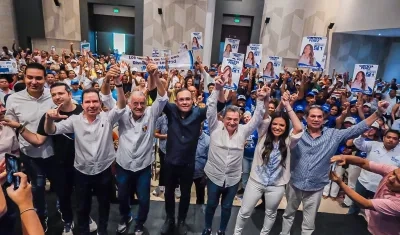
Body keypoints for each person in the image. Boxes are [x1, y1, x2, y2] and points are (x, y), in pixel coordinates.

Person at [280, 100, 389, 235]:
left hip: (316, 186)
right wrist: (286, 104)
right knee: (288, 214)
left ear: (324, 119)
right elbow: (280, 121)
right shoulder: (298, 132)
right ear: (306, 118)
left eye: (319, 116)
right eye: (312, 116)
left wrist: (378, 113)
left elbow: (358, 128)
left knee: (309, 222)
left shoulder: (333, 134)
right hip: (295, 183)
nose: (316, 119)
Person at [2, 83, 99, 234]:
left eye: (61, 93)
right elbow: (38, 140)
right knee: (64, 196)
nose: (57, 97)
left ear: (69, 94)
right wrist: (19, 126)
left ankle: (87, 218)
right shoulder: (49, 116)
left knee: (84, 195)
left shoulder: (83, 111)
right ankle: (68, 222)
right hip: (60, 165)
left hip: (84, 164)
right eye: (54, 95)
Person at [43, 65, 126, 235]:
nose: (92, 105)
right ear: (82, 104)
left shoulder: (107, 118)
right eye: (88, 102)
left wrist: (118, 84)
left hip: (104, 171)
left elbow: (122, 105)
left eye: (95, 101)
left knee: (104, 206)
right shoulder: (74, 120)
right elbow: (50, 131)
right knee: (82, 208)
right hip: (82, 172)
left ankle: (102, 231)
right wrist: (49, 119)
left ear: (100, 103)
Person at [102, 63, 168, 234]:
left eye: (142, 103)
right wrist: (109, 79)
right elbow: (107, 98)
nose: (139, 107)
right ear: (129, 104)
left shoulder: (152, 114)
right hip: (123, 166)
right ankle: (126, 217)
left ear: (146, 103)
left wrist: (156, 75)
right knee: (123, 198)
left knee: (145, 200)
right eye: (135, 103)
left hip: (143, 168)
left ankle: (140, 223)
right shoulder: (122, 113)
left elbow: (162, 97)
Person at [201, 79, 267, 235]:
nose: (232, 122)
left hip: (232, 179)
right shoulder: (215, 127)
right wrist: (217, 88)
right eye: (229, 119)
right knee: (211, 205)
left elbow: (257, 117)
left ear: (239, 119)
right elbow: (211, 108)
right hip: (214, 176)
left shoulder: (244, 131)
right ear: (223, 119)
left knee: (226, 207)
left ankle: (222, 230)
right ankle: (207, 228)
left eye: (235, 119)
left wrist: (260, 99)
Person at [234, 91, 304, 235]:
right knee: (245, 211)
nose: (277, 127)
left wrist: (288, 106)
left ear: (286, 128)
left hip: (276, 186)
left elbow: (298, 128)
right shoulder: (263, 134)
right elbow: (265, 116)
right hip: (256, 182)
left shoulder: (289, 141)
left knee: (270, 213)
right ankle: (237, 233)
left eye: (282, 126)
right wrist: (268, 100)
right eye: (275, 124)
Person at [160, 82, 225, 235]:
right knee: (168, 192)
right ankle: (169, 219)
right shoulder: (170, 110)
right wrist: (157, 78)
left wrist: (220, 88)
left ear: (193, 99)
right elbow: (157, 96)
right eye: (181, 99)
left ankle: (181, 220)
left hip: (188, 164)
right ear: (176, 101)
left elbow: (220, 105)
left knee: (186, 194)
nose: (184, 102)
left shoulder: (199, 113)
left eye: (187, 99)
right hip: (169, 162)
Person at [5, 63, 56, 231]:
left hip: (56, 151)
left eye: (39, 78)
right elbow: (9, 125)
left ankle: (65, 213)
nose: (34, 81)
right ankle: (41, 216)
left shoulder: (54, 96)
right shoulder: (13, 99)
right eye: (30, 77)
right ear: (24, 77)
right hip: (30, 153)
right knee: (38, 187)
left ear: (46, 79)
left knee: (62, 187)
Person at [330, 155, 400, 235]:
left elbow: (365, 204)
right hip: (371, 222)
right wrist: (345, 157)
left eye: (398, 180)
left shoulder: (398, 203)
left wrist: (340, 183)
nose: (391, 178)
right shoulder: (392, 171)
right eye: (394, 173)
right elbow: (364, 163)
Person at [348, 129, 400, 215]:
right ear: (383, 138)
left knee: (376, 212)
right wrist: (363, 136)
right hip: (363, 182)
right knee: (355, 205)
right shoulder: (374, 144)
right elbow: (357, 144)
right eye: (388, 137)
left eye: (394, 138)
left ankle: (370, 227)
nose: (391, 140)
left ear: (398, 141)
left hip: (383, 187)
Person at [192, 125, 210, 205]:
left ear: (201, 128)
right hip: (187, 172)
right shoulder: (188, 137)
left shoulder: (207, 140)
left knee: (200, 197)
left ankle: (200, 214)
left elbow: (209, 159)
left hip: (200, 174)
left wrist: (205, 175)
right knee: (184, 195)